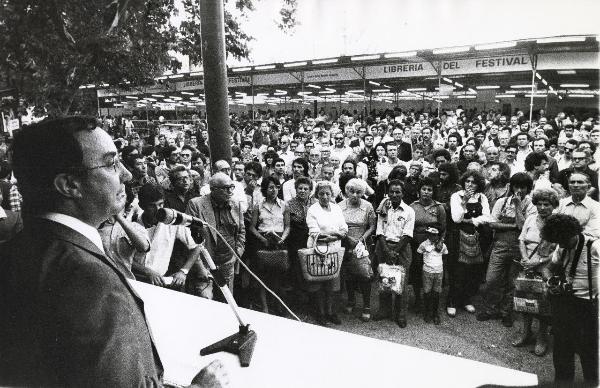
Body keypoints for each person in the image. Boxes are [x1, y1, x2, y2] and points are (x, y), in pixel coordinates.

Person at [0, 117, 225, 387]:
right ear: (69, 185)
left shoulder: (15, 251)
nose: (127, 175)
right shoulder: (91, 281)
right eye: (111, 163)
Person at [541, 214, 598, 385]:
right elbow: (547, 269)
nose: (560, 244)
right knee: (562, 349)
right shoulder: (562, 245)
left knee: (589, 351)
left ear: (573, 233)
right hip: (565, 303)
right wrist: (550, 282)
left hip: (588, 305)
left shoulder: (595, 246)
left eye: (563, 240)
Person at [477, 173, 536, 327]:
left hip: (519, 248)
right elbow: (492, 223)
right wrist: (512, 226)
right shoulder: (501, 202)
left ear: (528, 188)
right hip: (500, 246)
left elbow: (523, 227)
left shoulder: (531, 205)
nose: (519, 190)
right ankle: (491, 309)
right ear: (512, 186)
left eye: (523, 187)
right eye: (516, 186)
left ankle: (506, 312)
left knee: (513, 281)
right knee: (492, 279)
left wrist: (517, 206)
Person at [511, 188, 559, 356]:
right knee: (524, 300)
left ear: (553, 205)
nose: (543, 207)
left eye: (547, 204)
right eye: (539, 204)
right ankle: (525, 332)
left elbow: (558, 251)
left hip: (546, 267)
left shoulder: (557, 223)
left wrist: (537, 262)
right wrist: (525, 259)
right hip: (526, 265)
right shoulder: (530, 218)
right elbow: (522, 240)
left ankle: (542, 337)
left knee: (543, 305)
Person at [186, 172, 246, 303]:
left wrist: (238, 251)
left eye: (232, 187)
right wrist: (200, 266)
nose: (230, 191)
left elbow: (241, 230)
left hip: (228, 262)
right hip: (205, 263)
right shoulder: (196, 204)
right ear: (213, 189)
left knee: (228, 301)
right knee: (206, 300)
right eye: (226, 188)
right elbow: (190, 239)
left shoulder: (236, 204)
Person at [373, 179, 415, 328]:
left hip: (401, 249)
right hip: (384, 247)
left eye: (398, 192)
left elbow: (407, 235)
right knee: (385, 280)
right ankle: (384, 310)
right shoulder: (384, 208)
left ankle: (400, 314)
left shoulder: (409, 211)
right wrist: (387, 251)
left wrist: (394, 252)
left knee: (401, 283)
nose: (394, 194)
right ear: (388, 193)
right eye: (392, 191)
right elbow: (379, 231)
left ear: (403, 193)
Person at [306, 181, 349, 326]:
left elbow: (344, 228)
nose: (324, 197)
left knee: (332, 281)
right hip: (318, 248)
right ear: (317, 195)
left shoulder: (336, 208)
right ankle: (320, 313)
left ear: (332, 195)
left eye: (327, 194)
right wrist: (332, 235)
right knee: (319, 281)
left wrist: (336, 236)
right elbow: (313, 231)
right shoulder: (313, 209)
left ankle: (331, 312)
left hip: (335, 248)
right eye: (321, 194)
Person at [450, 170, 490, 316]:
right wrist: (464, 202)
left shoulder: (482, 197)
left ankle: (466, 300)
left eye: (473, 182)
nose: (470, 184)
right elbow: (456, 218)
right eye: (467, 181)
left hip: (477, 236)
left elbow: (487, 217)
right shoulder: (456, 196)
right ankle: (452, 301)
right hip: (459, 236)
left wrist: (472, 220)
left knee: (472, 270)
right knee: (458, 269)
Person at [339, 178, 377, 321]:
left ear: (363, 193)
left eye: (359, 192)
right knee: (349, 274)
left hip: (363, 244)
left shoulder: (368, 206)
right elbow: (337, 226)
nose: (355, 195)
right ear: (346, 191)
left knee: (365, 275)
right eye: (352, 191)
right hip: (345, 241)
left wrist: (361, 240)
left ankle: (366, 305)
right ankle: (351, 300)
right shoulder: (339, 206)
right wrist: (347, 239)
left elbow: (372, 226)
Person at [248, 176, 287, 315]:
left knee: (278, 275)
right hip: (263, 241)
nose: (274, 190)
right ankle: (264, 306)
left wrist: (283, 238)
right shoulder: (258, 205)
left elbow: (288, 226)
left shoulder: (283, 205)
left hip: (278, 242)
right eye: (271, 187)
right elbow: (252, 227)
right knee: (262, 275)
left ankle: (277, 304)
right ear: (265, 189)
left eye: (277, 187)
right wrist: (262, 239)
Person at [409, 176, 446, 314]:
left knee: (431, 272)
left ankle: (430, 302)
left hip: (432, 246)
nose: (426, 192)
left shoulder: (439, 207)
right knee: (416, 272)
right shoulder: (413, 206)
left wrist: (440, 242)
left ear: (433, 192)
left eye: (429, 190)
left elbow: (443, 228)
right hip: (416, 244)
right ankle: (418, 299)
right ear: (419, 191)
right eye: (423, 189)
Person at [283, 177, 315, 292]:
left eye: (305, 189)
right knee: (296, 268)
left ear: (310, 191)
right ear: (296, 190)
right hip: (295, 241)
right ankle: (299, 294)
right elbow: (287, 225)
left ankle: (310, 294)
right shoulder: (289, 204)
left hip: (312, 241)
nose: (302, 191)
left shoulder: (315, 204)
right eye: (300, 188)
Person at [417, 226, 448, 325]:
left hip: (439, 271)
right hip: (427, 271)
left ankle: (435, 313)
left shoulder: (442, 246)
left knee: (436, 293)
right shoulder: (423, 244)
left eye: (434, 235)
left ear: (438, 235)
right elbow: (419, 255)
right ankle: (427, 312)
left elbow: (445, 257)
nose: (432, 237)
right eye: (430, 234)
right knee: (427, 292)